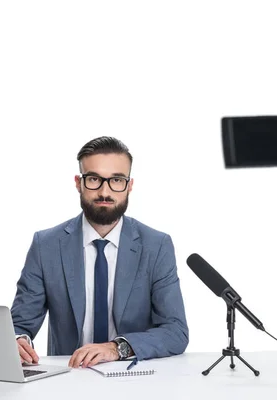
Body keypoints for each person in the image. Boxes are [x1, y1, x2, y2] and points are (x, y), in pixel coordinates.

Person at [10, 136, 189, 369]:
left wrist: (117, 348)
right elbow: (19, 324)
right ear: (78, 183)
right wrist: (17, 341)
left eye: (116, 180)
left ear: (129, 185)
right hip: (68, 376)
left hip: (134, 376)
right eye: (94, 179)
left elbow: (175, 331)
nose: (105, 191)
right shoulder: (46, 245)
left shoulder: (157, 246)